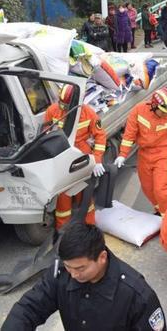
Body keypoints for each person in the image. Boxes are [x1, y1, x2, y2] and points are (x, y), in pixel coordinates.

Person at [2, 223, 166, 331]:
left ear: (102, 257)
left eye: (80, 268)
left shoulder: (137, 295)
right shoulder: (61, 274)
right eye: (68, 267)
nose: (73, 274)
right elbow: (29, 308)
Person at [45, 85, 106, 229]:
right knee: (63, 200)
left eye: (66, 105)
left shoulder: (88, 113)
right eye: (62, 104)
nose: (63, 108)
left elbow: (100, 136)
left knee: (84, 197)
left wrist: (97, 160)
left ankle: (89, 228)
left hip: (81, 157)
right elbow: (45, 134)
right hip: (62, 158)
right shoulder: (53, 111)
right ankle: (62, 233)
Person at [114, 88, 167, 215]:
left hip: (163, 154)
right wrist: (122, 155)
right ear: (154, 105)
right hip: (144, 154)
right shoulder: (139, 110)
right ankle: (160, 209)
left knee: (161, 190)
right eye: (164, 112)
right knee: (147, 188)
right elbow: (129, 135)